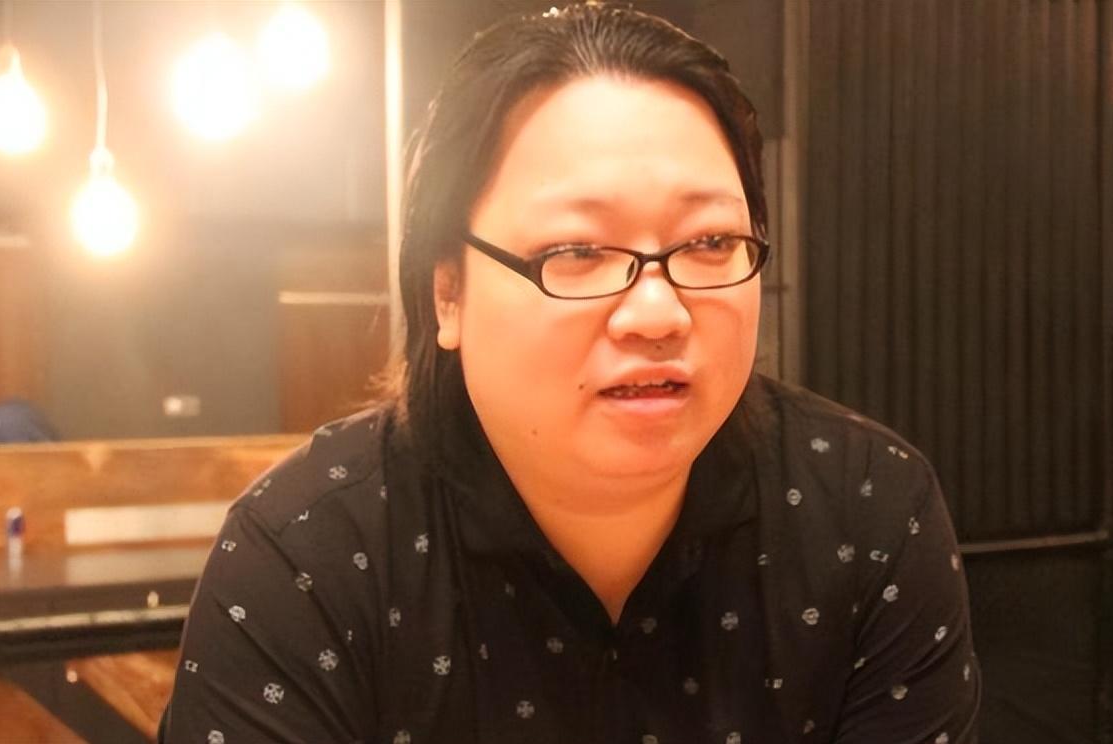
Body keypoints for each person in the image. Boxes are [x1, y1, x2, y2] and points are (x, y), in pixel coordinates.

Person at [161, 4, 981, 742]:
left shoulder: (867, 516)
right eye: (577, 251)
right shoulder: (305, 560)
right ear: (448, 292)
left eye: (709, 243)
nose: (658, 312)